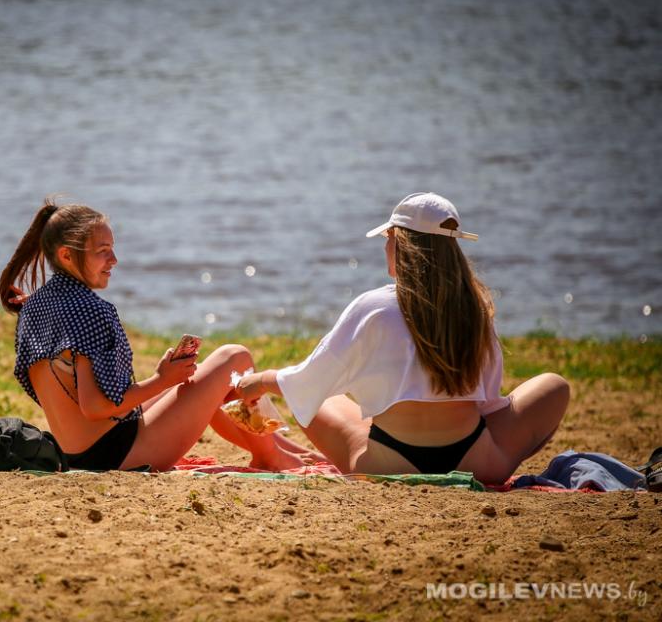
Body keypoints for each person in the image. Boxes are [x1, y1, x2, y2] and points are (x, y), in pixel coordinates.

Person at [234, 192, 569, 485]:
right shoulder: (475, 308)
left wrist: (261, 381)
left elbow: (309, 380)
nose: (385, 245)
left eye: (389, 236)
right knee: (555, 386)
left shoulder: (372, 307)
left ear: (401, 243)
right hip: (475, 463)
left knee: (320, 396)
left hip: (386, 464)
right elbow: (487, 401)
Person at [0, 195, 311, 472]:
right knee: (234, 358)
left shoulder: (35, 305)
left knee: (200, 375)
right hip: (116, 454)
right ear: (67, 256)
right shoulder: (91, 310)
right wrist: (162, 380)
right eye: (103, 251)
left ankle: (282, 450)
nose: (114, 260)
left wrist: (169, 380)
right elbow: (95, 408)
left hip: (75, 452)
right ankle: (272, 457)